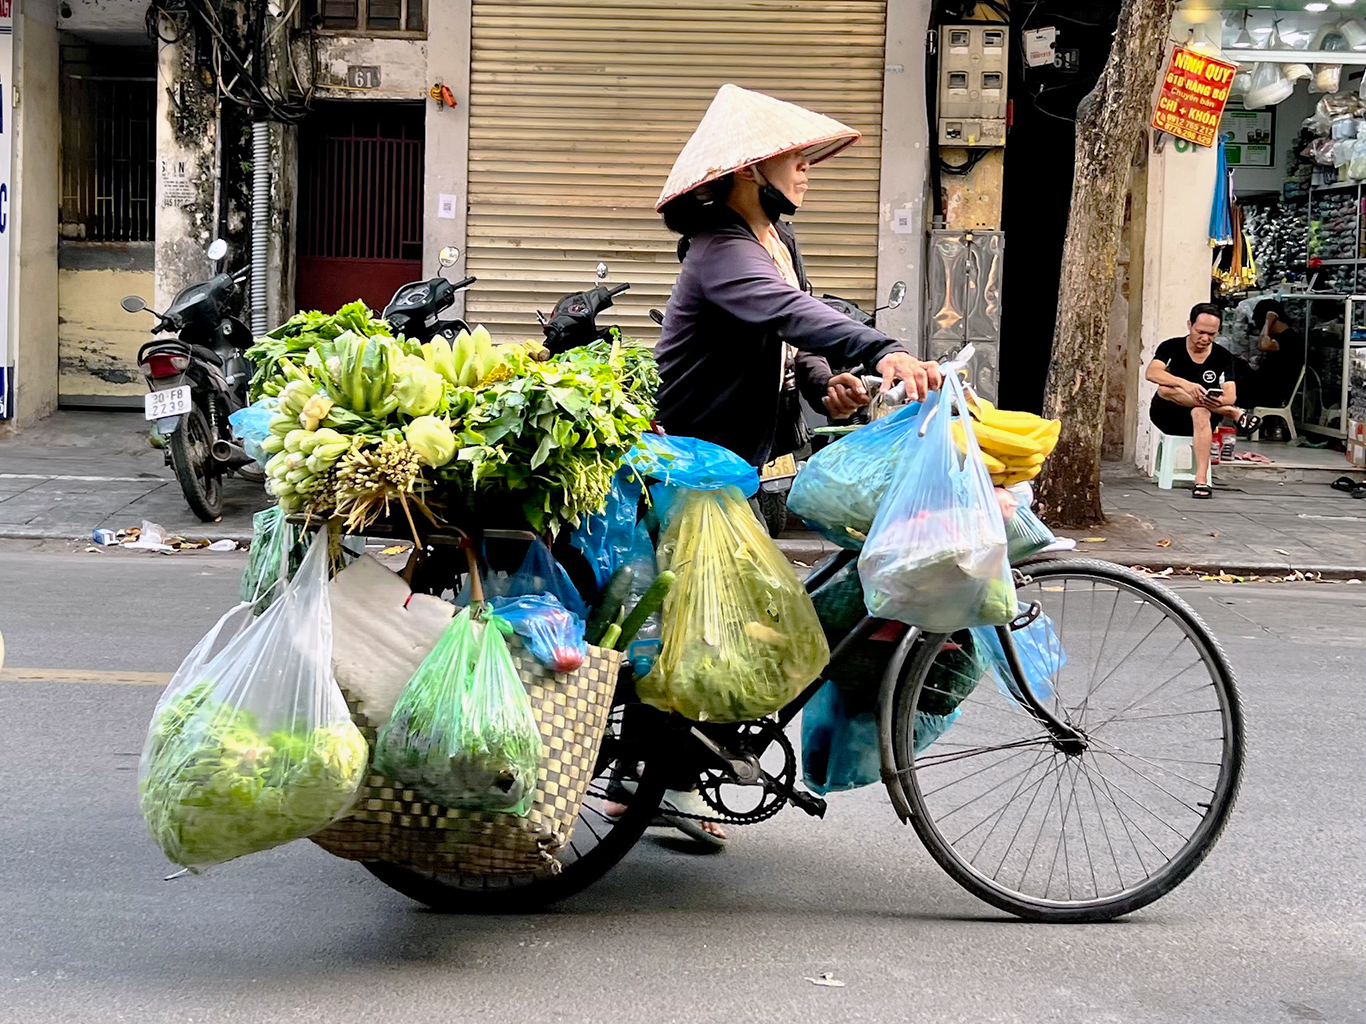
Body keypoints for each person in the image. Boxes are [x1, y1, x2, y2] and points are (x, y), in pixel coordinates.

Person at [603, 85, 944, 846]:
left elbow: (799, 339)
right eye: (795, 159)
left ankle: (658, 776)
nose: (807, 171)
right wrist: (882, 348)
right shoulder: (719, 251)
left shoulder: (776, 244)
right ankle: (654, 779)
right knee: (702, 625)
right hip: (688, 464)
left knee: (709, 622)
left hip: (733, 466)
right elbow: (785, 311)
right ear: (747, 171)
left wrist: (836, 384)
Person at [1146, 303, 1242, 499]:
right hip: (1168, 413)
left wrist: (1209, 400)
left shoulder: (1223, 356)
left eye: (1212, 334)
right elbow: (1152, 373)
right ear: (1190, 325)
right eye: (1200, 332)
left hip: (1204, 419)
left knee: (1200, 411)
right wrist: (1187, 385)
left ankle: (1201, 480)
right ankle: (1232, 413)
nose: (1205, 339)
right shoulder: (1171, 346)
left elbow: (1230, 396)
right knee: (1165, 389)